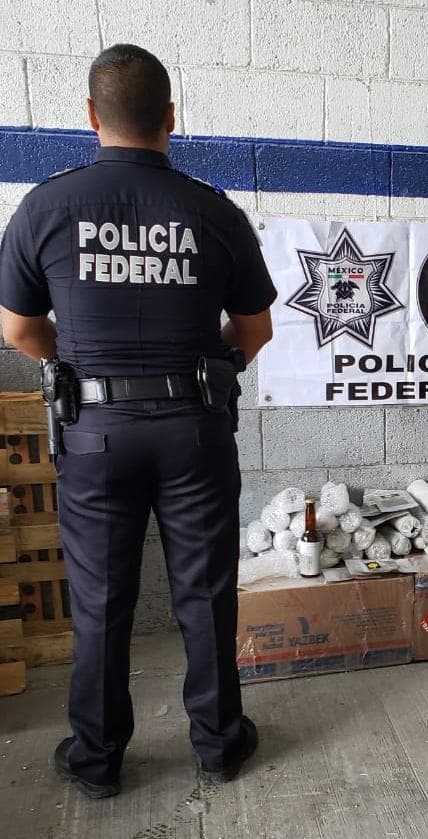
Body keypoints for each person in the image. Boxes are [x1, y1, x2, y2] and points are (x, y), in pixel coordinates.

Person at [0, 44, 277, 796]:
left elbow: (19, 331)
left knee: (98, 600)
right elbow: (255, 332)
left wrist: (88, 367)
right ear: (171, 120)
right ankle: (220, 745)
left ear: (91, 117)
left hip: (94, 435)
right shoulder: (212, 211)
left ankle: (97, 761)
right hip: (194, 428)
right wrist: (196, 363)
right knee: (205, 593)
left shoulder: (45, 207)